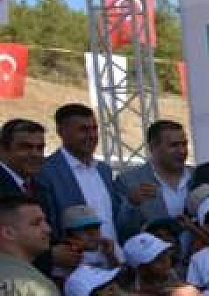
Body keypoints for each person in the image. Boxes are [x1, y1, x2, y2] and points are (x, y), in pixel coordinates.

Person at [36, 104, 122, 243]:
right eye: (83, 130)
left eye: (94, 129)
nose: (92, 135)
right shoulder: (46, 172)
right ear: (61, 132)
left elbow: (113, 218)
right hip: (72, 255)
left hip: (111, 254)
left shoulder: (104, 170)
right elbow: (49, 223)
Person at [115, 120, 193, 237]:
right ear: (153, 147)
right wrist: (131, 204)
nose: (182, 151)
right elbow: (123, 232)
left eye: (184, 144)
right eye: (174, 145)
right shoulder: (129, 181)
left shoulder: (198, 176)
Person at [0, 195, 59, 296]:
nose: (48, 229)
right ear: (8, 233)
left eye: (45, 222)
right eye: (36, 223)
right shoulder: (33, 285)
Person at [0, 119, 46, 198]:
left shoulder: (40, 188)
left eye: (40, 148)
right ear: (3, 149)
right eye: (25, 147)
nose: (35, 154)